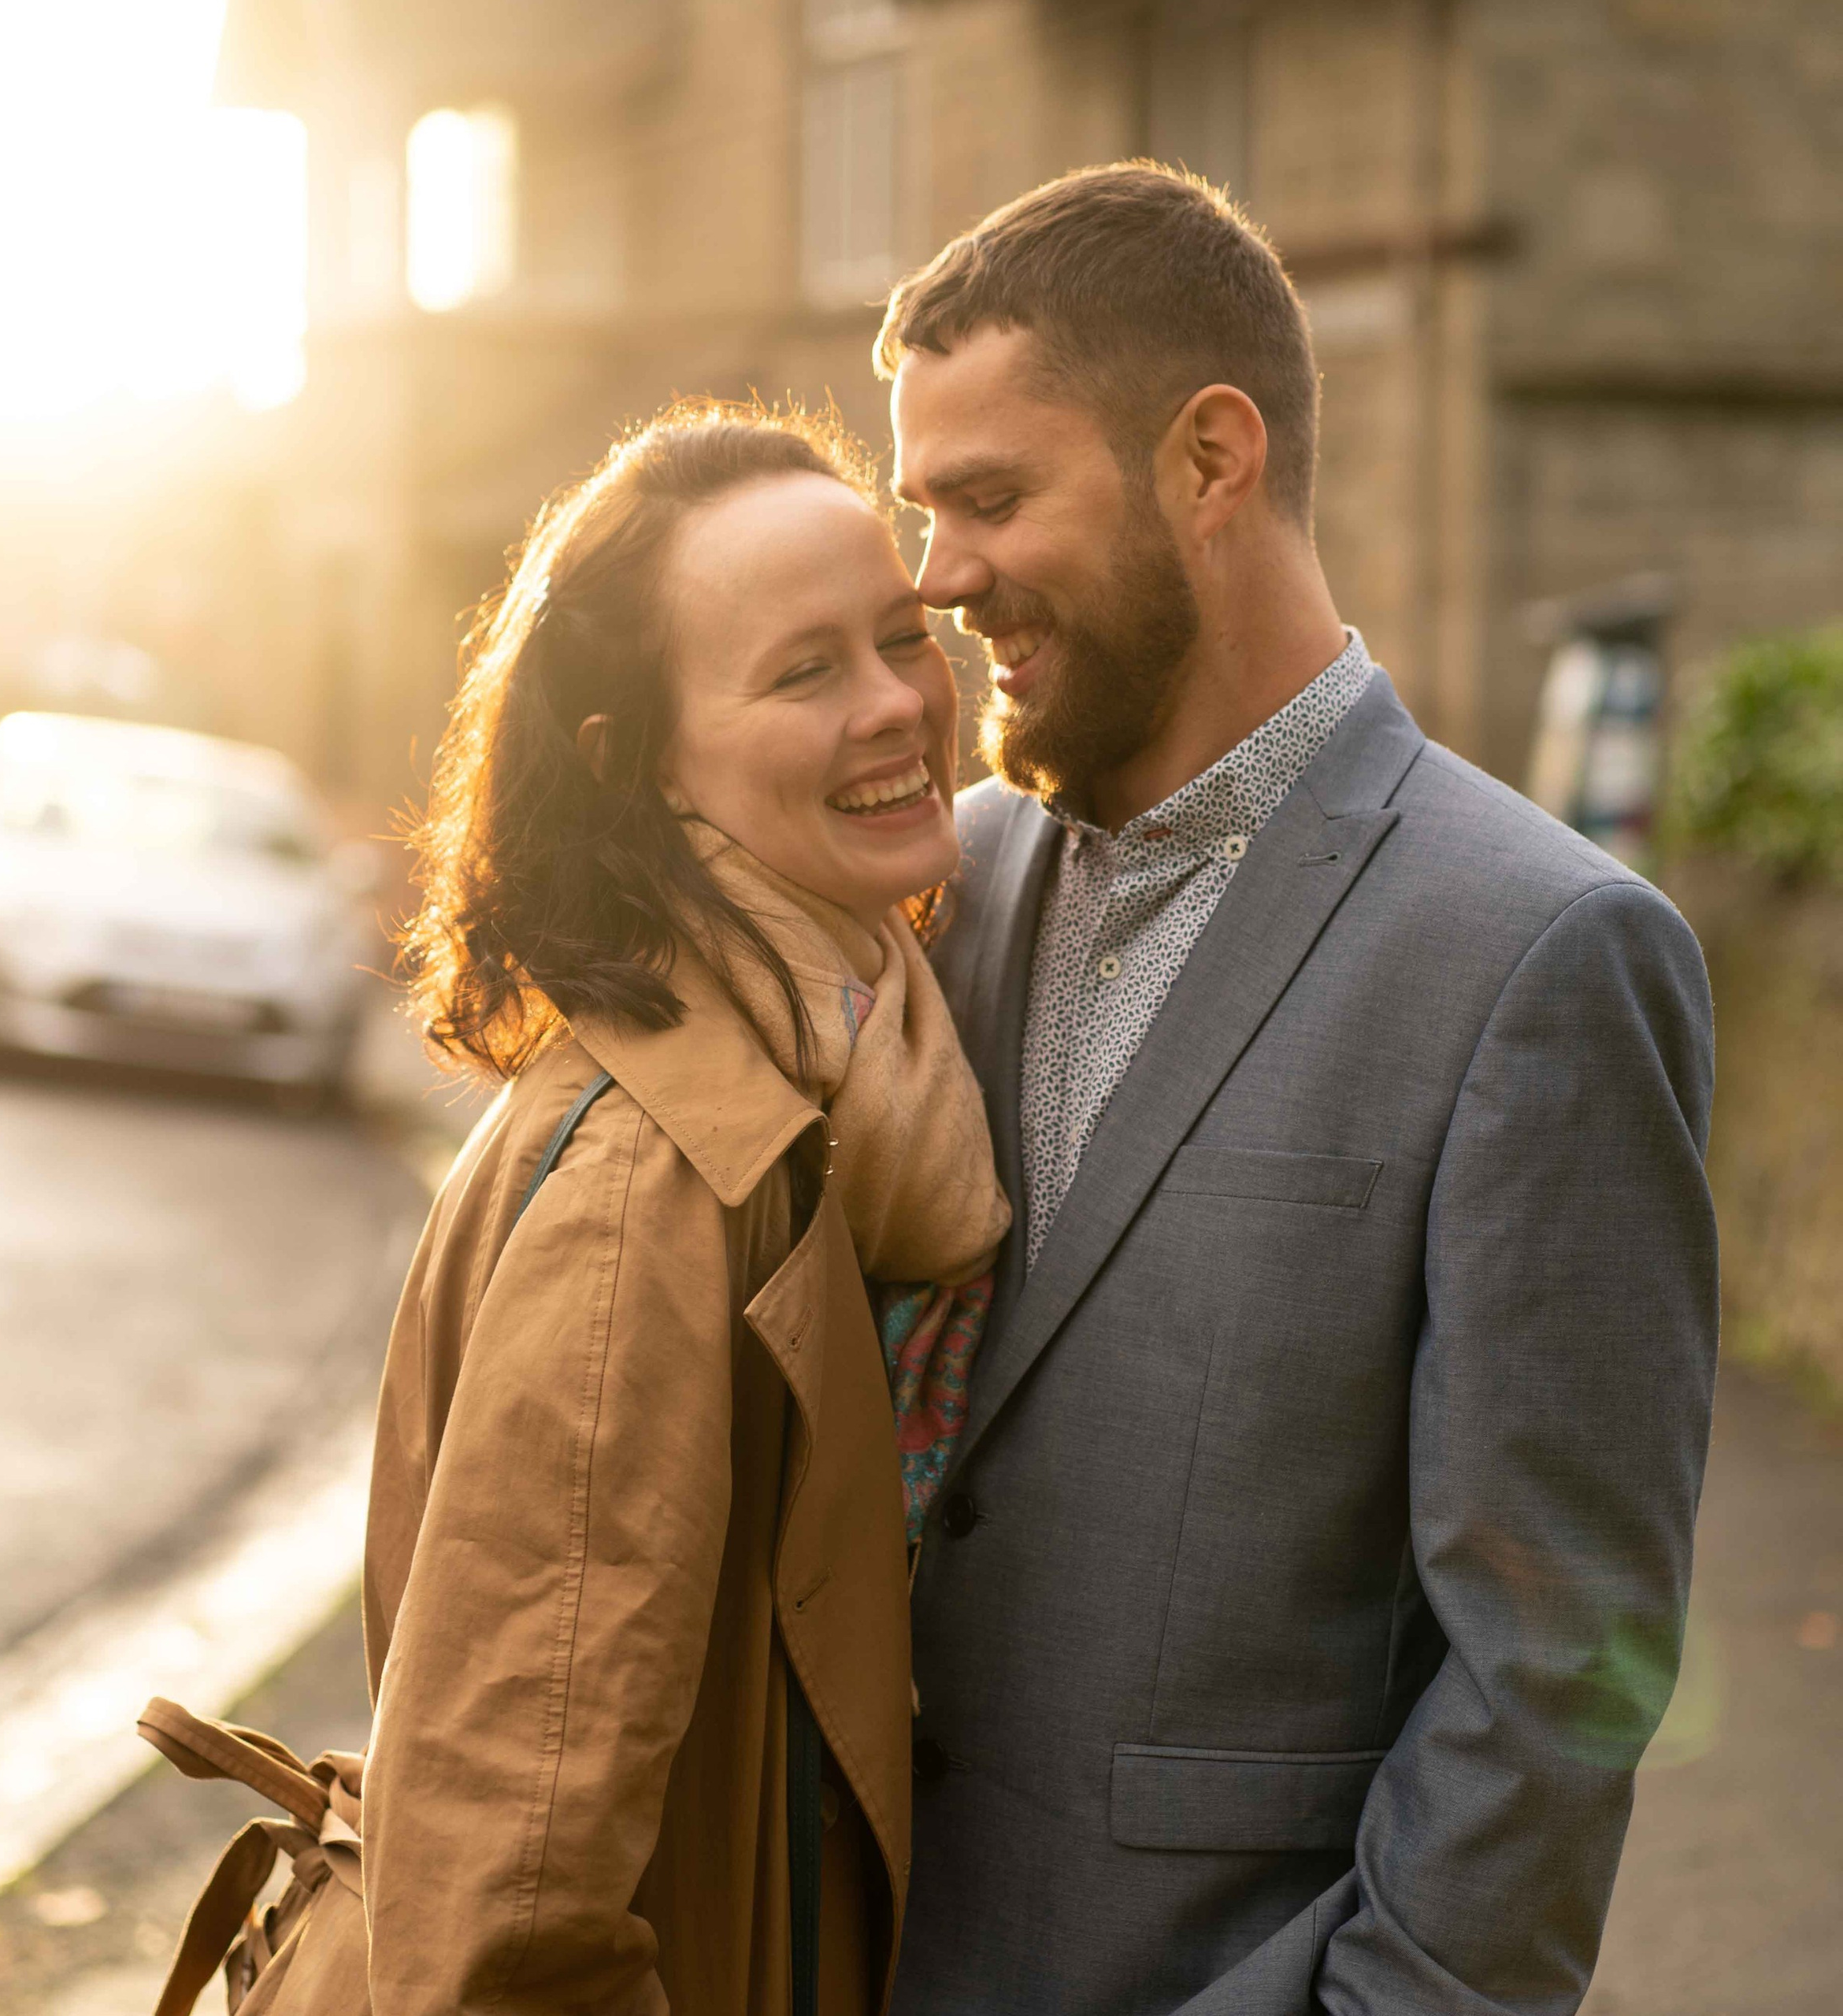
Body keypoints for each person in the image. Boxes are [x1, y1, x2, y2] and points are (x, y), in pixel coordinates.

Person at [877, 163, 1718, 2013]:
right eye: (919, 508)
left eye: (990, 497)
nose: (933, 575)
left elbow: (1552, 1676)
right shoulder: (941, 880)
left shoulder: (1543, 954)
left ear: (1208, 458)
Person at [363, 404, 1009, 2013]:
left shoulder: (856, 1055)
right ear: (633, 766)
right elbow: (503, 1925)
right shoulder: (651, 1187)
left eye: (892, 638)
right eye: (801, 673)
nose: (894, 707)